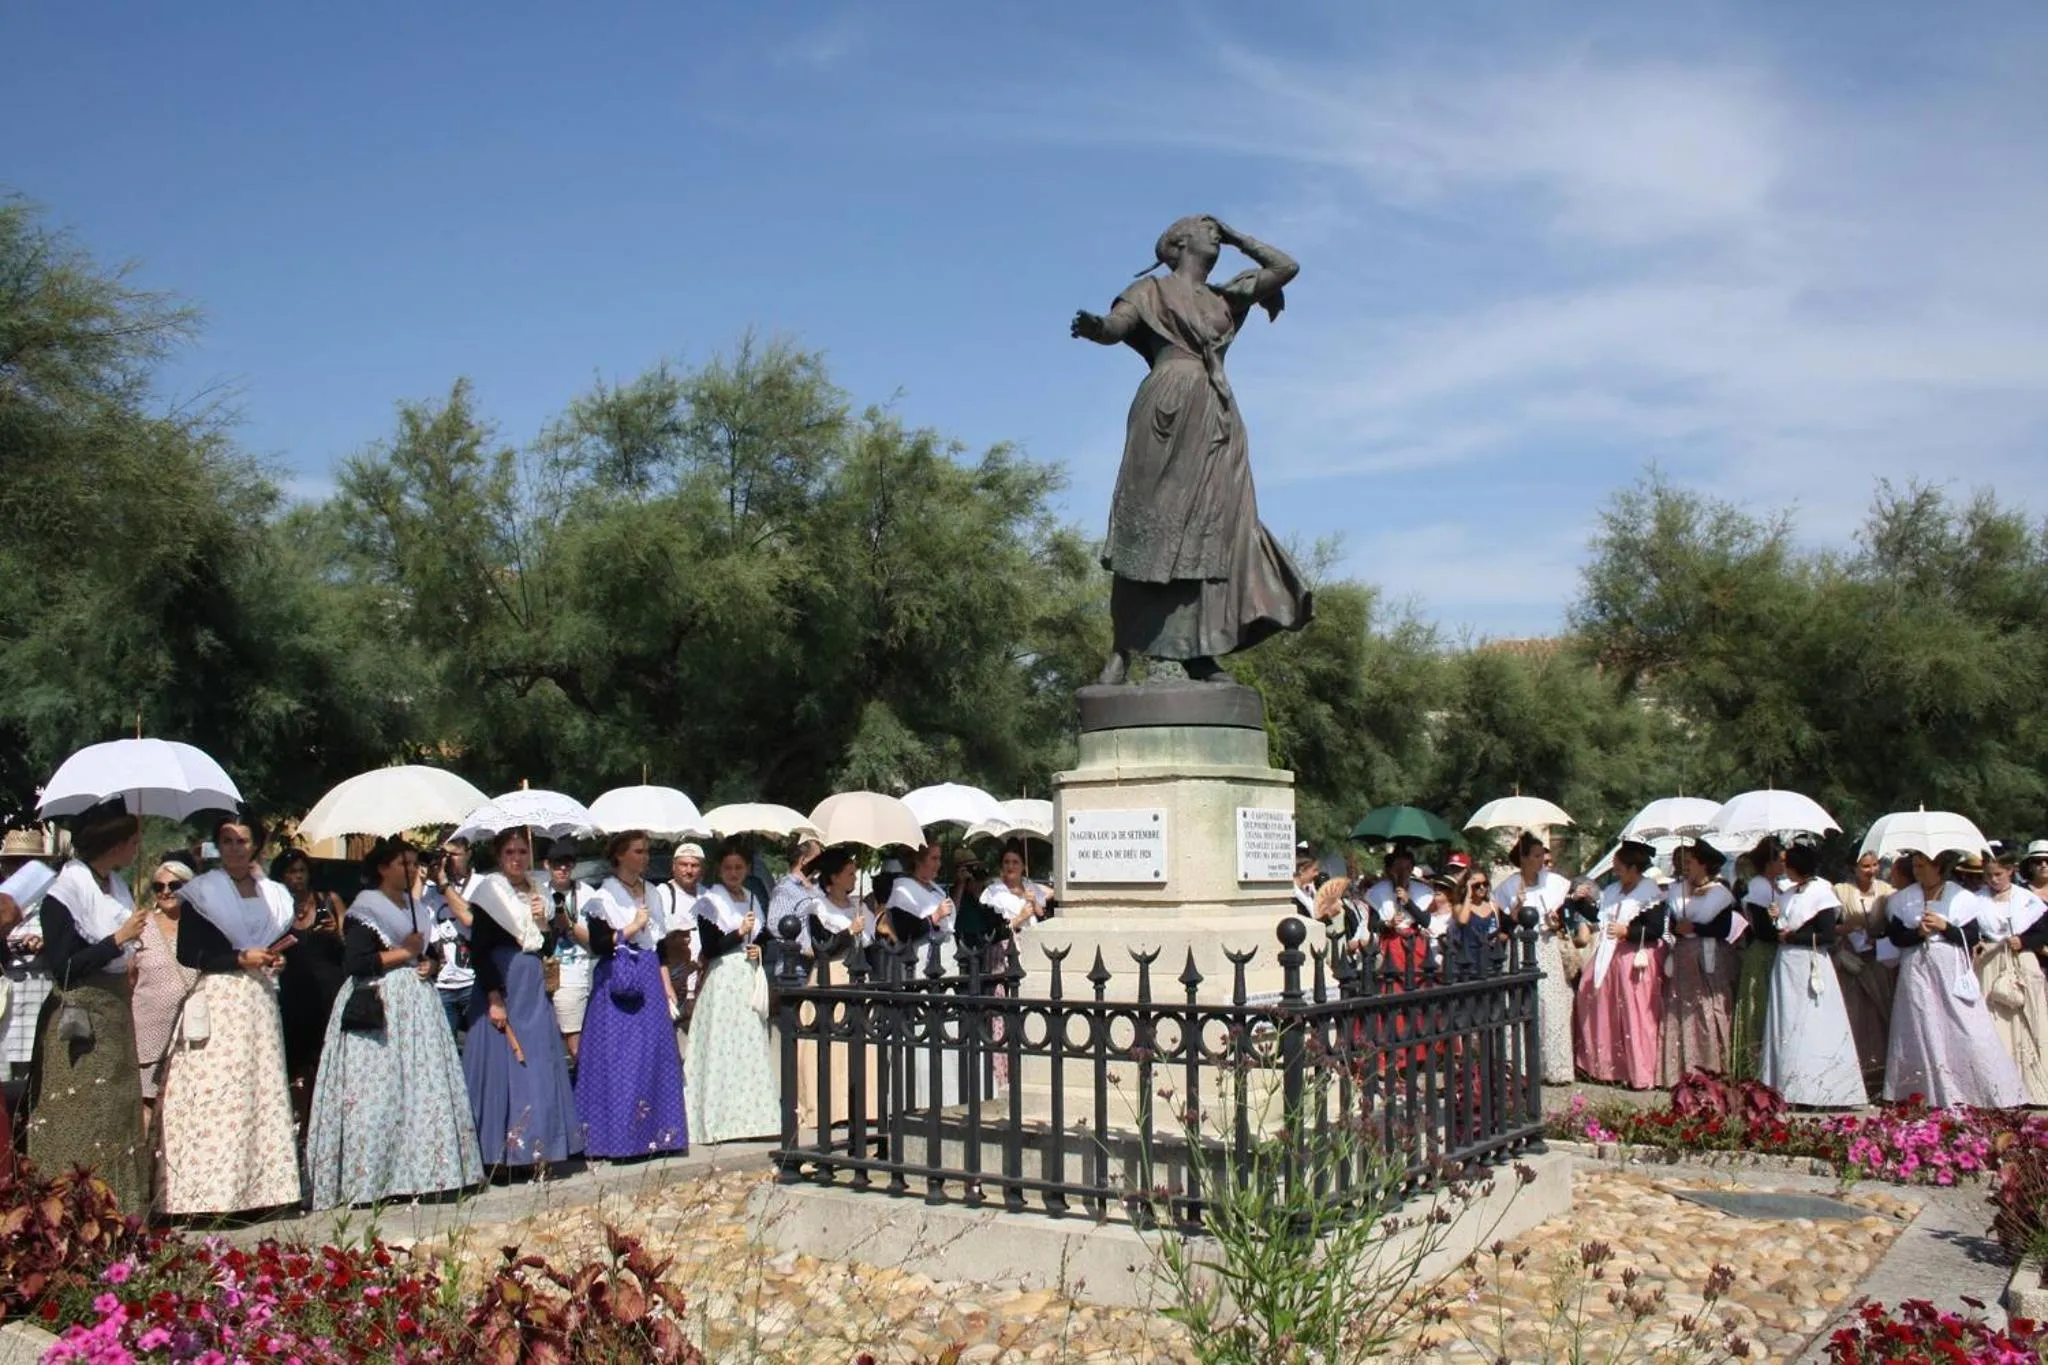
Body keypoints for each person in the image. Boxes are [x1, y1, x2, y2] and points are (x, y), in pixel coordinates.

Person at [1071, 213, 1312, 683]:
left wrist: (1239, 235)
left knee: (1214, 531)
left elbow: (1286, 268)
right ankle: (1123, 649)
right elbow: (1116, 327)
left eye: (1216, 228)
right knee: (1147, 525)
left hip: (1217, 419)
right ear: (1179, 244)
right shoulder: (1148, 292)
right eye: (1205, 228)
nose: (1214, 233)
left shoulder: (1226, 299)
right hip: (1164, 408)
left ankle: (1198, 652)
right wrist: (1097, 326)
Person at [305, 838, 483, 1209]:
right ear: (383, 867)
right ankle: (370, 1180)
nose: (411, 869)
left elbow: (433, 954)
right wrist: (403, 952)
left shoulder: (417, 907)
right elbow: (355, 962)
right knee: (376, 1094)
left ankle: (425, 1174)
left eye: (414, 862)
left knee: (419, 1090)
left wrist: (428, 963)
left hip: (417, 1008)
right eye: (403, 862)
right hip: (380, 1006)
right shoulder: (365, 909)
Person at [162, 818, 301, 1216]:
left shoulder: (274, 894)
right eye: (227, 841)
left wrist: (274, 959)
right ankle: (208, 1194)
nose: (236, 848)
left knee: (260, 1088)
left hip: (259, 997)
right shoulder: (203, 892)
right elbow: (189, 952)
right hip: (222, 995)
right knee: (219, 1092)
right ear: (218, 846)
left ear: (256, 845)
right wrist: (239, 958)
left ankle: (261, 1191)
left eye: (243, 840)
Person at [22, 805, 153, 1213]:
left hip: (115, 1015)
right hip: (79, 1023)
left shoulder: (113, 885)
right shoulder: (65, 895)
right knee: (80, 1117)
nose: (136, 848)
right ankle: (71, 1215)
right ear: (113, 845)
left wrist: (129, 947)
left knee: (116, 1117)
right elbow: (62, 966)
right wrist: (116, 940)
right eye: (132, 841)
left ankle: (122, 1213)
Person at [463, 828, 581, 1170]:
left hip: (533, 987)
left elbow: (545, 948)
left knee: (538, 1065)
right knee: (504, 1069)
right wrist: (494, 997)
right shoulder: (489, 893)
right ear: (500, 857)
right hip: (503, 984)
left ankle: (537, 1148)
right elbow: (480, 951)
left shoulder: (537, 890)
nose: (517, 858)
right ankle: (498, 1154)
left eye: (522, 851)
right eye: (510, 852)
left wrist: (542, 920)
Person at [1884, 849, 2027, 1108]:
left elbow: (1971, 936)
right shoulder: (1903, 899)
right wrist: (1918, 932)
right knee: (1920, 1023)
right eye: (1915, 866)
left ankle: (1985, 1087)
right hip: (1916, 968)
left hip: (1949, 967)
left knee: (1963, 1022)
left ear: (1938, 866)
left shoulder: (1961, 898)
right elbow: (1895, 936)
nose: (1918, 871)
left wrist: (1944, 927)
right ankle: (1924, 1091)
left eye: (1923, 865)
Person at [578, 831, 689, 1159]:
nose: (644, 857)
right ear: (620, 855)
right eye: (638, 851)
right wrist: (630, 927)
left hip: (649, 976)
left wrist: (666, 983)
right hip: (619, 978)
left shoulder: (652, 892)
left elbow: (659, 946)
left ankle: (658, 1135)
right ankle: (617, 1140)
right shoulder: (605, 895)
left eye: (646, 851)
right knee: (620, 1058)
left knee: (654, 1055)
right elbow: (598, 944)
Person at [688, 841, 780, 1144]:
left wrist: (757, 946)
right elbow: (711, 947)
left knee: (749, 1046)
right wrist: (738, 933)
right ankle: (718, 1121)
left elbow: (765, 938)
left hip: (748, 975)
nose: (733, 873)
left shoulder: (753, 898)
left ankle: (751, 1120)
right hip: (724, 979)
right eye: (728, 868)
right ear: (719, 870)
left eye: (739, 868)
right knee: (722, 1047)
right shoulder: (711, 902)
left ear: (747, 870)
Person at [1759, 845, 1865, 1107]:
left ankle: (1819, 1087)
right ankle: (1786, 1086)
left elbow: (1827, 935)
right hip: (1787, 964)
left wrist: (1793, 936)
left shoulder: (1821, 893)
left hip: (1809, 962)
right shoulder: (1788, 893)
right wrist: (1775, 919)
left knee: (1812, 1022)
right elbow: (1780, 928)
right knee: (1787, 1022)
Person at [791, 847, 876, 1132]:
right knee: (830, 1043)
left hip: (856, 976)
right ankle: (828, 1107)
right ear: (835, 877)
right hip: (832, 975)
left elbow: (870, 944)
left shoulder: (859, 906)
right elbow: (821, 946)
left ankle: (863, 1106)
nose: (854, 878)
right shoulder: (819, 907)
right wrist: (848, 932)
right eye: (849, 873)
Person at [1574, 840, 1667, 1089]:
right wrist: (1580, 902)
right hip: (1611, 956)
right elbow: (1600, 916)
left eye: (1619, 868)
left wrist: (1629, 930)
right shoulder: (1615, 891)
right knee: (1599, 1004)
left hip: (1635, 958)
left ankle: (1640, 1071)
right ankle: (1606, 1067)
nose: (1615, 872)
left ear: (1634, 869)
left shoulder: (1649, 892)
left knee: (1634, 1013)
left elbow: (1656, 928)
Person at [1493, 832, 1580, 1085]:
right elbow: (1505, 924)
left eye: (1543, 855)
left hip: (1547, 944)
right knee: (1520, 1002)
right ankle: (1518, 1068)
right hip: (1522, 946)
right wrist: (1516, 910)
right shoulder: (1509, 886)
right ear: (1524, 858)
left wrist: (1556, 920)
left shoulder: (1553, 883)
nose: (1542, 860)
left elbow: (1564, 916)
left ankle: (1556, 1068)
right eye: (1536, 855)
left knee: (1551, 1004)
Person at [273, 848, 348, 1136]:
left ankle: (324, 1122)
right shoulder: (276, 905)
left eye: (302, 871)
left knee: (325, 1057)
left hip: (328, 991)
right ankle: (297, 1120)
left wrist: (335, 932)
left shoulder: (328, 900)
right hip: (291, 993)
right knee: (294, 1059)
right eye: (291, 872)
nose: (297, 877)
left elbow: (349, 944)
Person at [1659, 840, 1741, 1085]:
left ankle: (1712, 1065)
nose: (1686, 866)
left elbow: (1723, 928)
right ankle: (1681, 1068)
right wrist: (1680, 927)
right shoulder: (1677, 892)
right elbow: (1673, 925)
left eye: (1691, 862)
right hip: (1683, 955)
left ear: (1703, 865)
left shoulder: (1720, 894)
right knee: (1681, 1009)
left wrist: (1695, 926)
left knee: (1708, 1006)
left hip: (1709, 956)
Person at [130, 858, 199, 1137]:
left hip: (191, 1033)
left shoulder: (202, 926)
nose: (166, 891)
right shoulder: (142, 925)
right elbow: (129, 978)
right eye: (159, 886)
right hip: (149, 1033)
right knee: (147, 1108)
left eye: (174, 885)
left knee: (184, 1107)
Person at [1976, 850, 2048, 1105]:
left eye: (1998, 874)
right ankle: (1998, 1089)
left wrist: (2025, 940)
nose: (1993, 880)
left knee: (2028, 1022)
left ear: (2010, 872)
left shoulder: (2029, 902)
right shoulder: (1977, 901)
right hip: (1991, 964)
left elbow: (2043, 932)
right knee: (1995, 1024)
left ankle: (2033, 1088)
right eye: (1989, 876)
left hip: (2022, 963)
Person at [1833, 851, 1898, 1096]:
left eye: (1874, 865)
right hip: (1852, 960)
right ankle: (1854, 1074)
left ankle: (1881, 1074)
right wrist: (1848, 929)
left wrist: (1878, 936)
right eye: (1865, 866)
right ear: (1854, 867)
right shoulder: (1840, 891)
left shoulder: (1887, 891)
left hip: (1879, 960)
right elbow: (1830, 926)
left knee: (1880, 1013)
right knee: (1855, 1015)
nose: (1871, 871)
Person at [540, 839, 603, 1064]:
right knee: (553, 1044)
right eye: (557, 863)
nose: (563, 869)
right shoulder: (538, 893)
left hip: (578, 971)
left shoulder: (587, 893)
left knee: (576, 1044)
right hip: (546, 972)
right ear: (546, 864)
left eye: (568, 863)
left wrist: (568, 924)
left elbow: (597, 943)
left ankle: (583, 1092)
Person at [1730, 837, 1786, 1079]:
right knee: (1759, 1005)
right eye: (1781, 860)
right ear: (1769, 862)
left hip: (1773, 951)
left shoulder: (1775, 885)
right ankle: (1754, 1065)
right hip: (1763, 951)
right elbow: (1763, 928)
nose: (1785, 865)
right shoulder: (1760, 887)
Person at [422, 837, 477, 1043]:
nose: (448, 861)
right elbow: (410, 921)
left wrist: (444, 884)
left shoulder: (479, 884)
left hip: (474, 981)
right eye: (444, 855)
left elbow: (469, 918)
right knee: (445, 1051)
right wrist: (421, 879)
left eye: (453, 855)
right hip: (441, 985)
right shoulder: (427, 888)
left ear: (468, 853)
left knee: (480, 1050)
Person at [656, 843, 706, 1024]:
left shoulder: (707, 896)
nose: (689, 870)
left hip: (701, 981)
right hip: (673, 980)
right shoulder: (663, 894)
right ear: (673, 866)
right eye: (684, 865)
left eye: (694, 865)